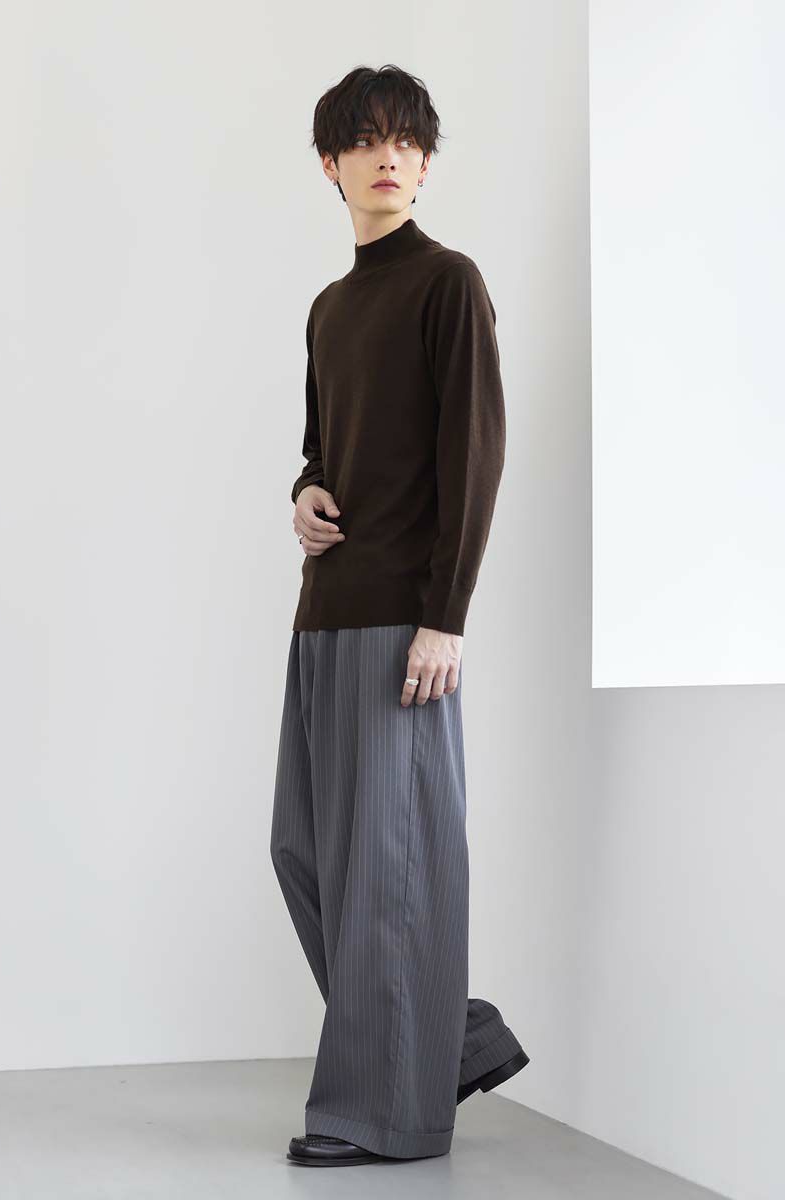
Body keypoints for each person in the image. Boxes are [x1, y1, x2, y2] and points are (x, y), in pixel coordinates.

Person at [270, 63, 529, 1168]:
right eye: (367, 140)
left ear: (424, 163)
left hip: (404, 624)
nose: (390, 156)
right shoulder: (330, 308)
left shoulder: (447, 283)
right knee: (304, 852)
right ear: (330, 165)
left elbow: (475, 457)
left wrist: (445, 617)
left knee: (388, 867)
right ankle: (448, 1039)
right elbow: (322, 448)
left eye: (407, 142)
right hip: (324, 613)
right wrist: (305, 492)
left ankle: (381, 1112)